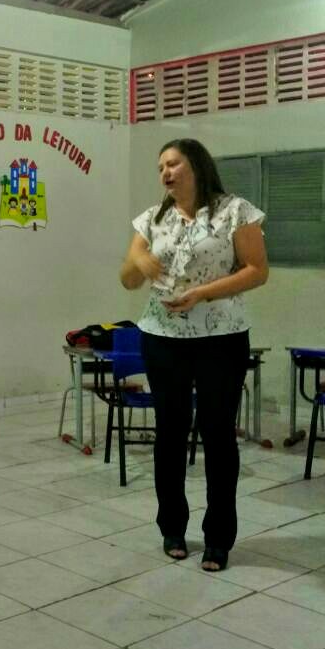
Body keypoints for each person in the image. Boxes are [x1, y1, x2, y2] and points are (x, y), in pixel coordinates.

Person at [118, 139, 268, 572]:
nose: (165, 172)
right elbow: (128, 279)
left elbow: (257, 270)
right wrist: (139, 263)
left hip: (221, 336)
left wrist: (203, 293)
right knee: (170, 431)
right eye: (160, 166)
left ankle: (219, 538)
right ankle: (172, 528)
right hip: (162, 336)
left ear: (196, 166)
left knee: (218, 434)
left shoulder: (235, 211)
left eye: (173, 163)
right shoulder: (151, 219)